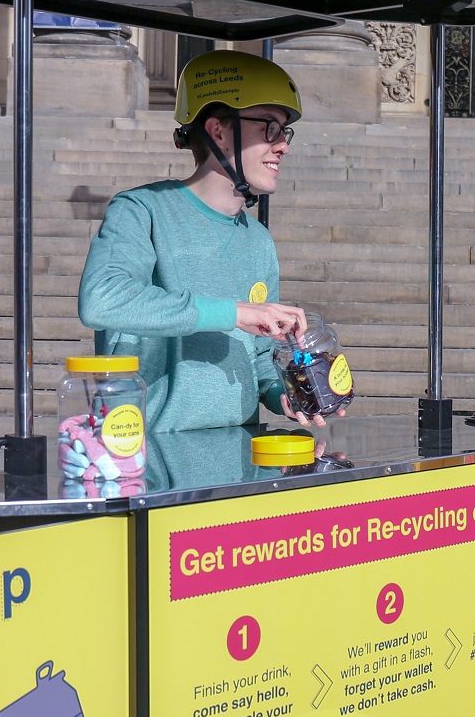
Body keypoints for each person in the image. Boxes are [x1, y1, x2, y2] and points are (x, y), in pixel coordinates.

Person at [78, 50, 334, 432]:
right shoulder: (142, 210)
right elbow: (101, 300)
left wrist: (284, 394)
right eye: (269, 127)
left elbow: (261, 357)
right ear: (218, 130)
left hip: (238, 455)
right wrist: (235, 312)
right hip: (149, 456)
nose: (283, 145)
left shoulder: (258, 241)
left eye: (285, 131)